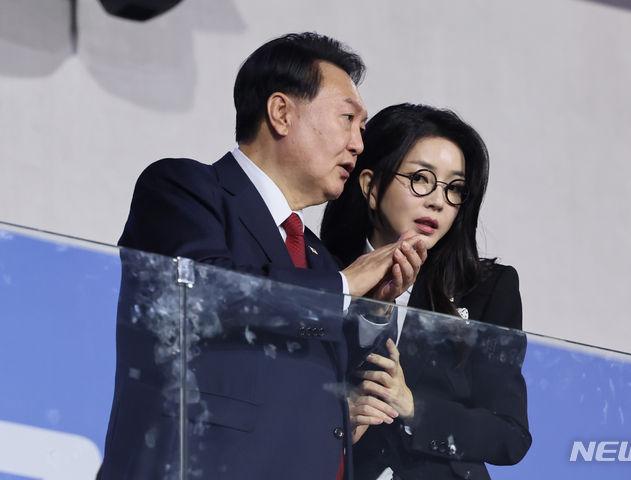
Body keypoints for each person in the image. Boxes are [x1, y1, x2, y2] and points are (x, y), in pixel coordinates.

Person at [99, 34, 427, 480]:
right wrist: (345, 285)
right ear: (281, 113)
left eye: (362, 128)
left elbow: (325, 375)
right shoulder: (184, 189)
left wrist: (374, 307)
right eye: (348, 119)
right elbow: (209, 293)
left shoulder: (316, 257)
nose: (358, 144)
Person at [321, 103, 532, 479]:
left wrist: (413, 408)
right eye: (421, 178)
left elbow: (509, 435)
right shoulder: (324, 274)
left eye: (455, 189)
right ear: (371, 186)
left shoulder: (486, 289)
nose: (437, 201)